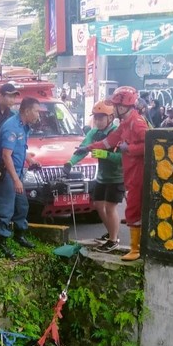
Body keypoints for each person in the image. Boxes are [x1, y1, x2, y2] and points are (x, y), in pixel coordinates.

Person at [77, 86, 148, 262]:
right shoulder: (125, 123)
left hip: (137, 172)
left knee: (133, 209)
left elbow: (150, 145)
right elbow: (109, 142)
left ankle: (135, 249)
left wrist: (129, 148)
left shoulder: (137, 123)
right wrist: (88, 147)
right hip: (130, 171)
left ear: (123, 107)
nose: (113, 109)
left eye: (115, 105)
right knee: (132, 209)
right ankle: (135, 248)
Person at [63, 101, 123, 253]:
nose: (97, 121)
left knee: (110, 207)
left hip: (117, 176)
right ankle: (111, 233)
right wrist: (70, 163)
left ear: (110, 118)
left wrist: (106, 154)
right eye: (95, 117)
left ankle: (114, 240)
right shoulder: (94, 132)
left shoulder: (117, 132)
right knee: (97, 205)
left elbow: (122, 158)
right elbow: (83, 148)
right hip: (102, 176)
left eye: (101, 118)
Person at [0, 96, 41, 259]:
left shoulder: (23, 126)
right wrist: (16, 180)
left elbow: (18, 148)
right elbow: (6, 156)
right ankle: (2, 242)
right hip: (7, 173)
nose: (38, 114)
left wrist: (30, 159)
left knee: (22, 206)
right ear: (27, 111)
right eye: (36, 111)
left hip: (17, 172)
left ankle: (19, 236)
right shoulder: (11, 127)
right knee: (6, 208)